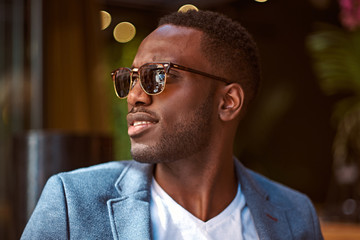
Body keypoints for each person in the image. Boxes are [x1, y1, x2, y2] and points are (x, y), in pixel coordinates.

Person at [21, 10, 323, 239]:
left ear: (228, 102)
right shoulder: (73, 202)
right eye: (131, 79)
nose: (134, 97)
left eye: (158, 76)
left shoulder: (295, 215)